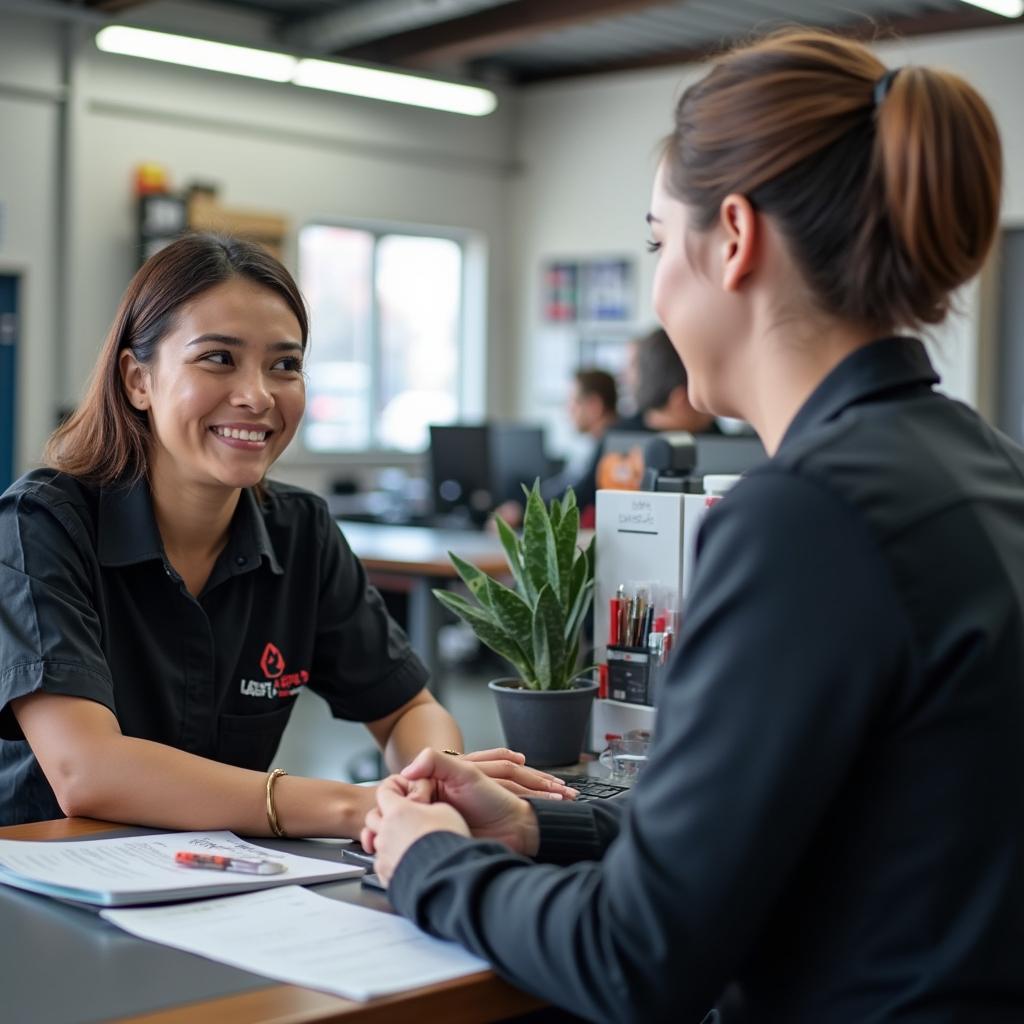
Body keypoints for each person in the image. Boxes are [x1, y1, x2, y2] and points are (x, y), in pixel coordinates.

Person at [360, 29, 1024, 1023]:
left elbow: (633, 957)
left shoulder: (805, 517)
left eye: (657, 245)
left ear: (734, 237)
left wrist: (429, 861)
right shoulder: (982, 463)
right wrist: (550, 827)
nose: (657, 289)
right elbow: (826, 820)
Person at [0, 234, 577, 831]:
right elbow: (86, 771)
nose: (257, 395)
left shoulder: (300, 530)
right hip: (40, 889)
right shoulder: (40, 528)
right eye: (218, 358)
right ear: (136, 380)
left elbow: (408, 707)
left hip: (216, 886)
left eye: (285, 365)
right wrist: (360, 805)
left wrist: (439, 778)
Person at [494, 368, 618, 528]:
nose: (567, 410)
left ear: (594, 405)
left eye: (573, 401)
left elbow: (578, 494)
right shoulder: (594, 445)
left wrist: (524, 512)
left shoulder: (610, 450)